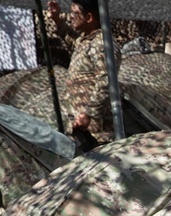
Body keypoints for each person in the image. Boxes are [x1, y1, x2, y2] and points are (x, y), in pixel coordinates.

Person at [47, 0, 119, 150]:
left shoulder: (101, 43)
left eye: (75, 13)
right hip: (82, 128)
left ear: (89, 18)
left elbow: (106, 81)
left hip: (97, 131)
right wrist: (56, 19)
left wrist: (89, 113)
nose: (71, 16)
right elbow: (69, 36)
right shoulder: (85, 41)